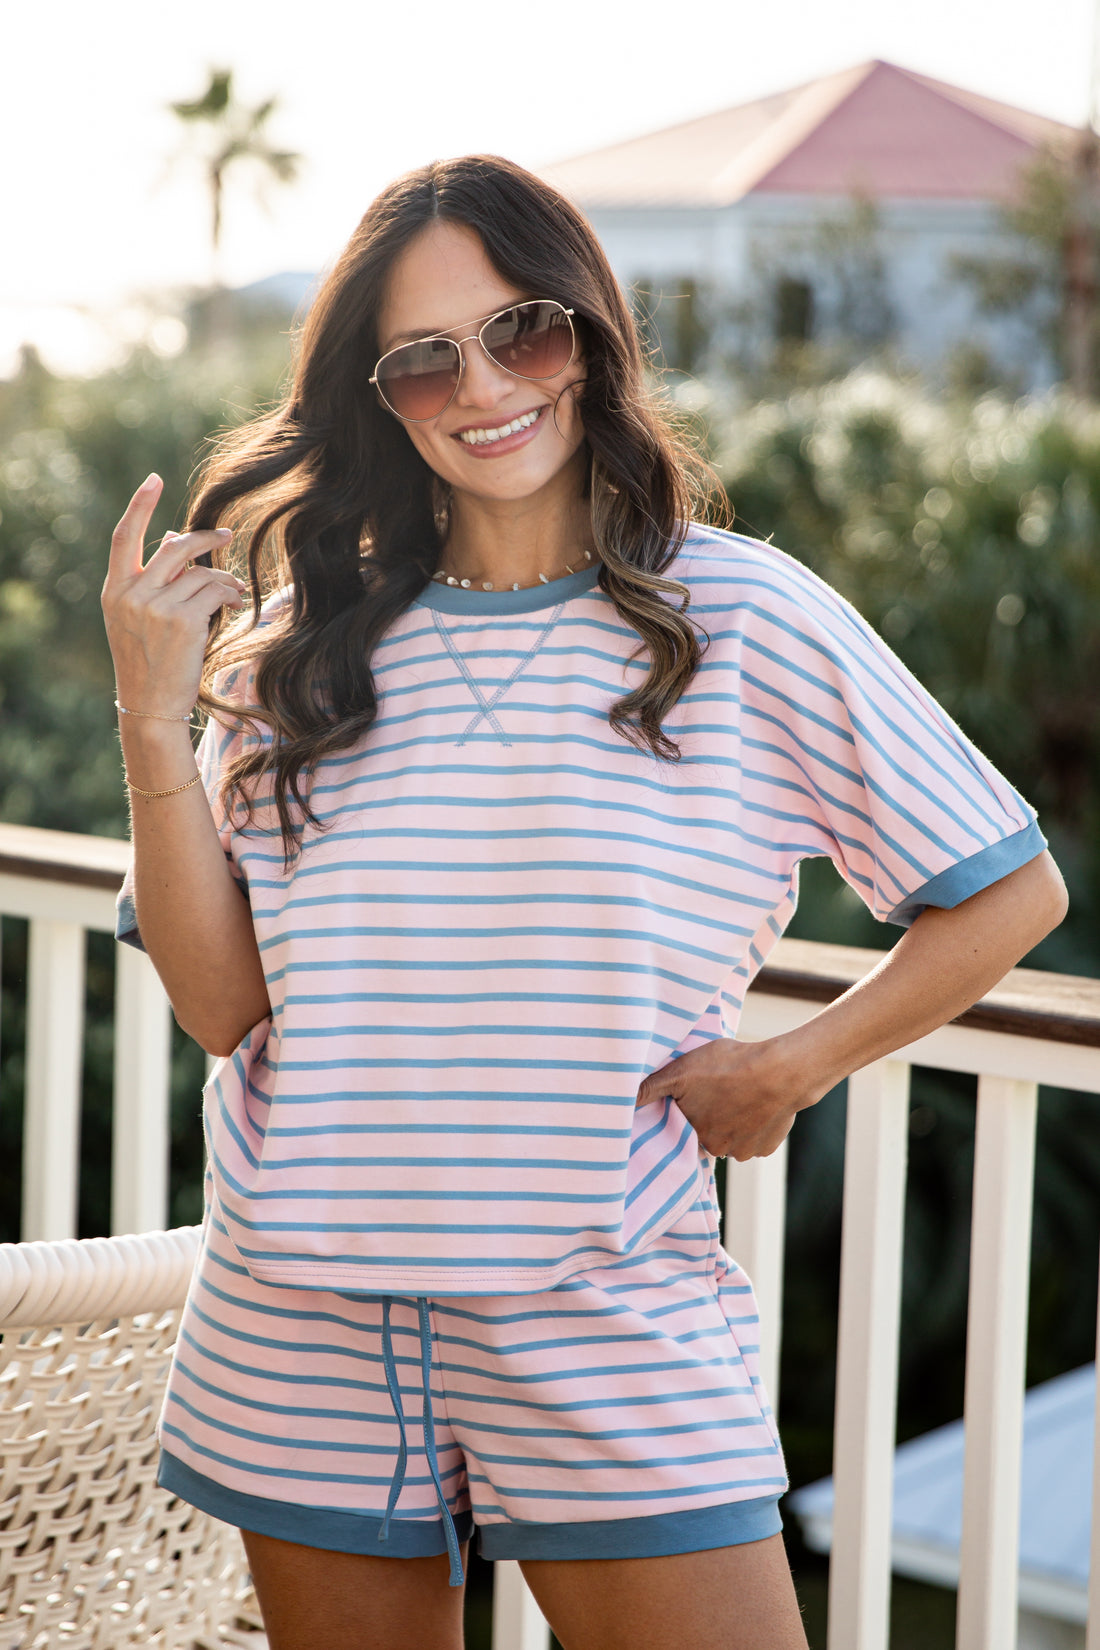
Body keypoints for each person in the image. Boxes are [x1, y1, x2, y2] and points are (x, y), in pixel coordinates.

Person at [102, 154, 1067, 1650]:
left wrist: (795, 1062)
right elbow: (224, 1008)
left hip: (610, 1318)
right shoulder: (300, 647)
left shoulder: (741, 613)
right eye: (424, 360)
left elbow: (1008, 889)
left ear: (592, 336)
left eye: (523, 332)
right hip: (302, 1329)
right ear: (381, 397)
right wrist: (149, 723)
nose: (483, 385)